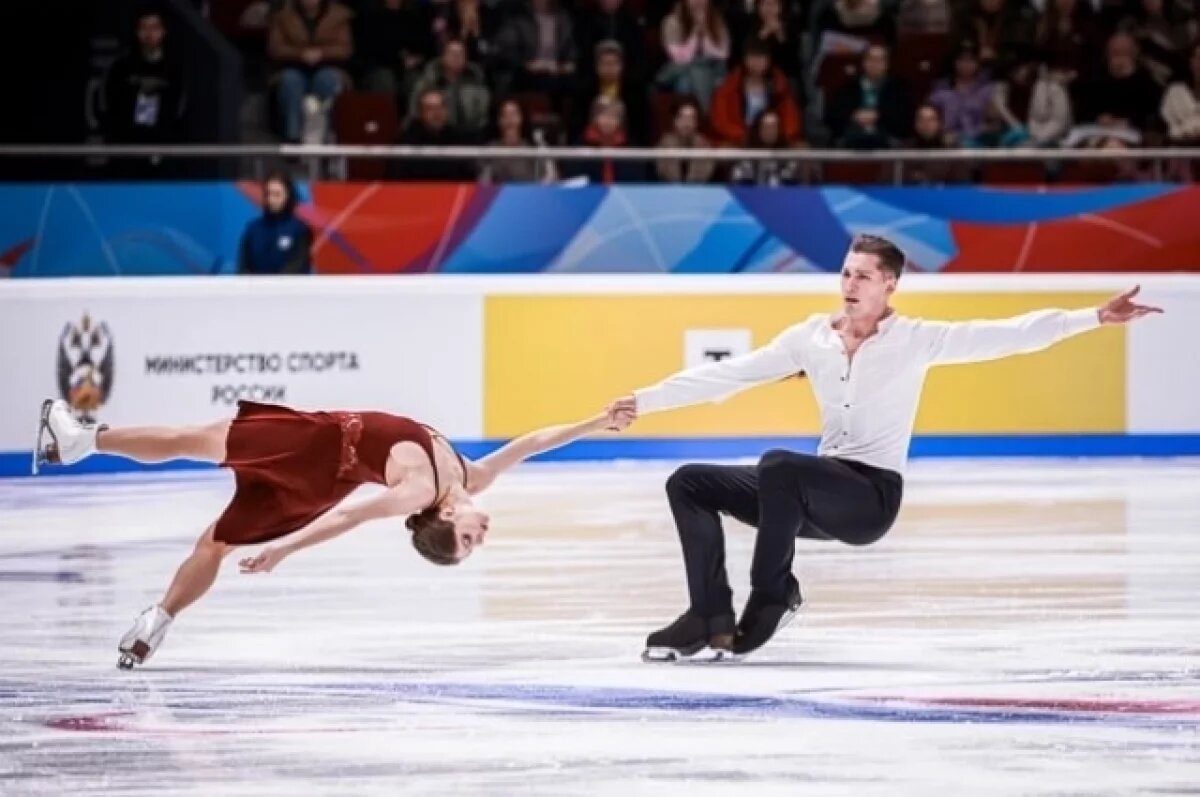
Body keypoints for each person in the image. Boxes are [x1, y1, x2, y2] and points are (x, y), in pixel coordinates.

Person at [607, 234, 1162, 662]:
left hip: (868, 499)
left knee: (778, 465)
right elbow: (732, 375)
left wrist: (1093, 318)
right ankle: (707, 616)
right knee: (689, 482)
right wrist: (644, 400)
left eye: (864, 276)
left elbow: (1007, 335)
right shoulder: (811, 337)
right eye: (846, 272)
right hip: (808, 493)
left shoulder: (916, 340)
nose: (850, 284)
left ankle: (772, 598)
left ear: (890, 284)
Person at [33, 398, 633, 669]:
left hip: (315, 447)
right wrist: (597, 423)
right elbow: (534, 443)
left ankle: (82, 438)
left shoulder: (422, 491)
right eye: (475, 542)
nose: (484, 536)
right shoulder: (471, 475)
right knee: (216, 540)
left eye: (471, 542)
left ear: (446, 520)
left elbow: (349, 518)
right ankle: (156, 622)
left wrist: (284, 550)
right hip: (322, 478)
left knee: (194, 441)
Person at [237, 172, 313, 274]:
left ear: (287, 196)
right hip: (255, 288)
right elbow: (243, 267)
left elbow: (300, 265)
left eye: (277, 194)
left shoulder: (299, 229)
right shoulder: (252, 229)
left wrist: (274, 286)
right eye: (269, 194)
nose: (271, 199)